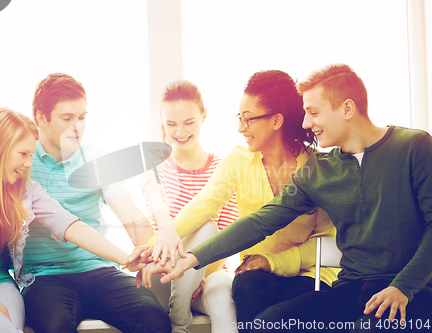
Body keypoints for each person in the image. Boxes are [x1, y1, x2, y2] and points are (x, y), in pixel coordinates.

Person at [140, 64, 432, 332]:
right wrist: (192, 258)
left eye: (314, 113)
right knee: (263, 326)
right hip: (351, 290)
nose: (306, 123)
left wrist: (403, 287)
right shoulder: (321, 170)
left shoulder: (413, 147)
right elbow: (261, 221)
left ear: (346, 108)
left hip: (410, 291)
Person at [131, 70, 338, 332]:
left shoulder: (318, 167)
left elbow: (325, 239)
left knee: (291, 305)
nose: (241, 127)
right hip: (255, 272)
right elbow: (203, 205)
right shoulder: (239, 160)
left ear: (276, 121)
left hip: (309, 273)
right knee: (248, 289)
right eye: (240, 118)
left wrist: (274, 262)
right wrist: (154, 247)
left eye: (248, 119)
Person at [0, 108, 147, 333]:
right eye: (23, 154)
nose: (28, 164)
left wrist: (127, 259)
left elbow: (70, 225)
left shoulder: (25, 190)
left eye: (31, 155)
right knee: (2, 329)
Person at [22, 73, 170, 333]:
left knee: (154, 320)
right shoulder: (22, 162)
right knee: (54, 327)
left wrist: (147, 252)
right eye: (67, 119)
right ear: (41, 118)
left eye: (82, 117)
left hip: (99, 270)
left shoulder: (97, 161)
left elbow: (131, 217)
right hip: (45, 277)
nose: (77, 127)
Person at [138, 79, 240, 333]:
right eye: (171, 124)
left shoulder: (223, 168)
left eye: (188, 122)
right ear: (162, 122)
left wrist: (200, 277)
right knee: (198, 225)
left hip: (210, 273)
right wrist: (182, 277)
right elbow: (160, 232)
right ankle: (179, 317)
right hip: (165, 276)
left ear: (203, 116)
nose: (180, 132)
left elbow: (226, 236)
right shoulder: (153, 168)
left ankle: (179, 319)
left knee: (223, 301)